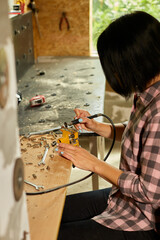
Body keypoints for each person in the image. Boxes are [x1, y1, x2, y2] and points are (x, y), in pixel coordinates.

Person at [56, 11, 160, 240]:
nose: (114, 74)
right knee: (49, 213)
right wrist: (98, 127)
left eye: (114, 66)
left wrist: (93, 163)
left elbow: (149, 192)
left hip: (144, 219)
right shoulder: (148, 92)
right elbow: (141, 133)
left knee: (52, 234)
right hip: (123, 198)